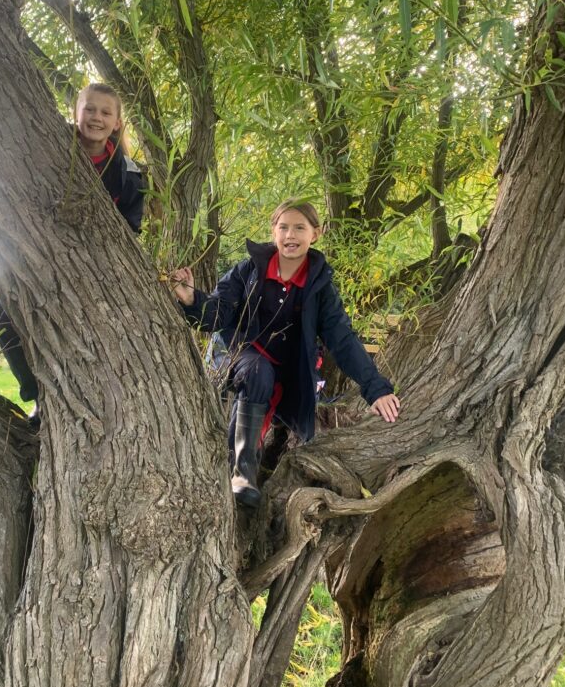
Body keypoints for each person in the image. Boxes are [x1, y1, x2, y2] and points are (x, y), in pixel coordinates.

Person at [171, 199, 400, 507]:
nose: (290, 235)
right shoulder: (249, 269)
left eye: (299, 228)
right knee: (256, 371)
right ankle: (240, 474)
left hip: (285, 371)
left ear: (315, 234)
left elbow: (342, 339)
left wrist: (377, 391)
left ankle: (254, 478)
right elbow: (218, 314)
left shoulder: (320, 287)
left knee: (270, 388)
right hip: (240, 354)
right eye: (283, 227)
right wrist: (191, 299)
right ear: (273, 231)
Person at [0, 83, 145, 416]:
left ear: (117, 122)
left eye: (106, 112)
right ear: (76, 112)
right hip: (37, 256)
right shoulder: (49, 146)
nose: (96, 118)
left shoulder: (128, 175)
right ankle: (37, 397)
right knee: (2, 315)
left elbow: (131, 231)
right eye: (89, 109)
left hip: (93, 270)